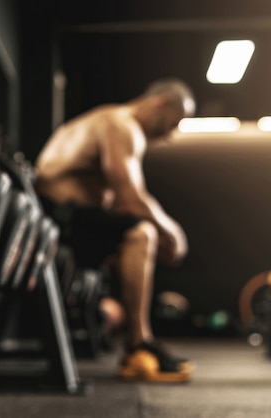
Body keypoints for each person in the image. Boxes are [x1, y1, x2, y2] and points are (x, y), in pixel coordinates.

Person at [34, 77, 195, 383]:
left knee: (134, 239)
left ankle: (133, 335)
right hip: (56, 217)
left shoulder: (104, 119)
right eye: (174, 123)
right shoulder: (122, 125)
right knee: (141, 233)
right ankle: (137, 345)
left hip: (59, 217)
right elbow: (130, 199)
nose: (170, 134)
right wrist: (172, 231)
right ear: (160, 103)